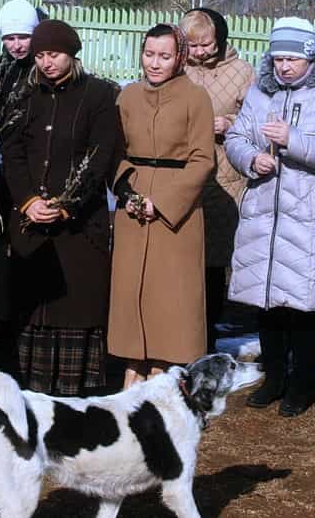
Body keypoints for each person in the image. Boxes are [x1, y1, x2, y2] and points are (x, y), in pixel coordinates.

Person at [226, 16, 315, 417]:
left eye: (292, 59)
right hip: (264, 210)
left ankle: (301, 383)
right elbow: (236, 137)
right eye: (278, 58)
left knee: (303, 307)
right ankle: (275, 377)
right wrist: (251, 158)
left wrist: (291, 141)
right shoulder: (259, 94)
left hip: (308, 214)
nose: (283, 67)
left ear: (311, 58)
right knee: (268, 303)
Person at [1, 19, 122, 396]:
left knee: (77, 304)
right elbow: (13, 151)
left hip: (80, 227)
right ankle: (31, 390)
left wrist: (67, 205)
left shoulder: (100, 95)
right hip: (31, 223)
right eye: (39, 56)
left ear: (72, 53)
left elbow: (101, 155)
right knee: (33, 305)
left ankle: (75, 393)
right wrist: (28, 201)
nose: (46, 63)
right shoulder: (24, 95)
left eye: (53, 54)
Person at [108, 23, 215, 388]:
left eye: (164, 56)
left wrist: (165, 202)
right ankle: (132, 366)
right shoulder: (128, 97)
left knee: (170, 295)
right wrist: (127, 192)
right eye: (149, 54)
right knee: (130, 290)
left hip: (176, 213)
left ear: (179, 57)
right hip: (133, 207)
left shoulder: (195, 98)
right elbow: (114, 152)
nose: (155, 63)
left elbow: (203, 159)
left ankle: (162, 371)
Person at [180, 8, 255, 353]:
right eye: (191, 45)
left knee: (212, 261)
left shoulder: (241, 72)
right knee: (181, 258)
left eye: (205, 44)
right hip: (181, 174)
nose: (198, 52)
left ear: (220, 39)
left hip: (224, 176)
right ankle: (179, 334)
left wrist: (231, 123)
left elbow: (257, 118)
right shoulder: (177, 67)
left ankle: (207, 336)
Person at [0, 0, 41, 371]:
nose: (17, 45)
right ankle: (5, 345)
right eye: (10, 38)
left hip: (30, 175)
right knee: (1, 267)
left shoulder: (41, 70)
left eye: (23, 36)